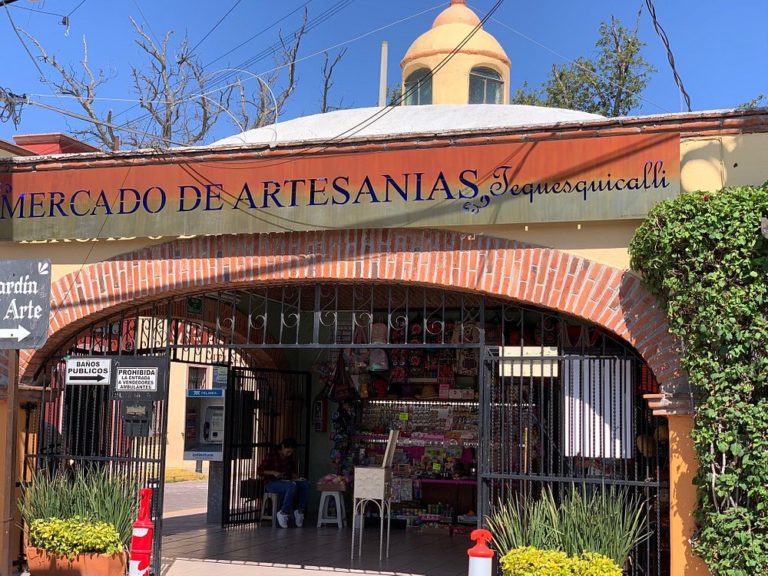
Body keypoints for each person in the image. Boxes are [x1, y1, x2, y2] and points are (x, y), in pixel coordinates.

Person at [257, 438, 309, 528]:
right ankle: (283, 512)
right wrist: (273, 472)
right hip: (271, 483)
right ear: (283, 447)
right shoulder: (272, 455)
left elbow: (290, 471)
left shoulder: (289, 458)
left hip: (286, 481)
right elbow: (259, 471)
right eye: (288, 451)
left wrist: (294, 475)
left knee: (305, 484)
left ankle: (300, 511)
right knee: (291, 486)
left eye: (291, 452)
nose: (289, 454)